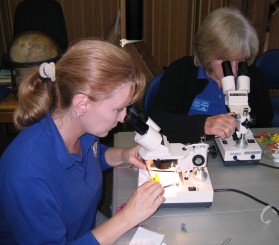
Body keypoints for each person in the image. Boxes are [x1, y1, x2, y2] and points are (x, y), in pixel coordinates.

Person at [0, 39, 165, 244]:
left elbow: (91, 158)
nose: (124, 118)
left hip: (85, 226)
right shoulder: (27, 176)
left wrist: (123, 155)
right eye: (118, 109)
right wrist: (126, 218)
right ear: (82, 104)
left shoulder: (83, 128)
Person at [148, 7, 273, 143]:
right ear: (207, 54)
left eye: (240, 61)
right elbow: (157, 120)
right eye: (226, 61)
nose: (235, 71)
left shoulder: (253, 77)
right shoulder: (181, 71)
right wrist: (203, 124)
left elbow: (264, 124)